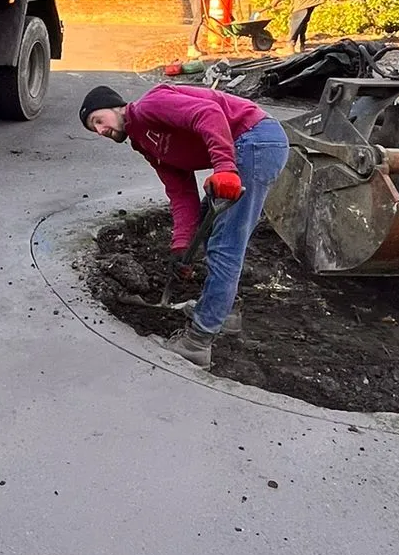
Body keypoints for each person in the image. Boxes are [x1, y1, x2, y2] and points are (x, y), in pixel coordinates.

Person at [79, 80, 291, 368]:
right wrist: (182, 246)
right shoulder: (146, 145)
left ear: (116, 106)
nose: (101, 130)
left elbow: (208, 114)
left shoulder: (150, 106)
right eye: (94, 130)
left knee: (226, 243)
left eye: (98, 120)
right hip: (248, 145)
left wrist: (224, 168)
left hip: (255, 139)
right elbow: (181, 193)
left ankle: (197, 342)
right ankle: (225, 312)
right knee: (206, 228)